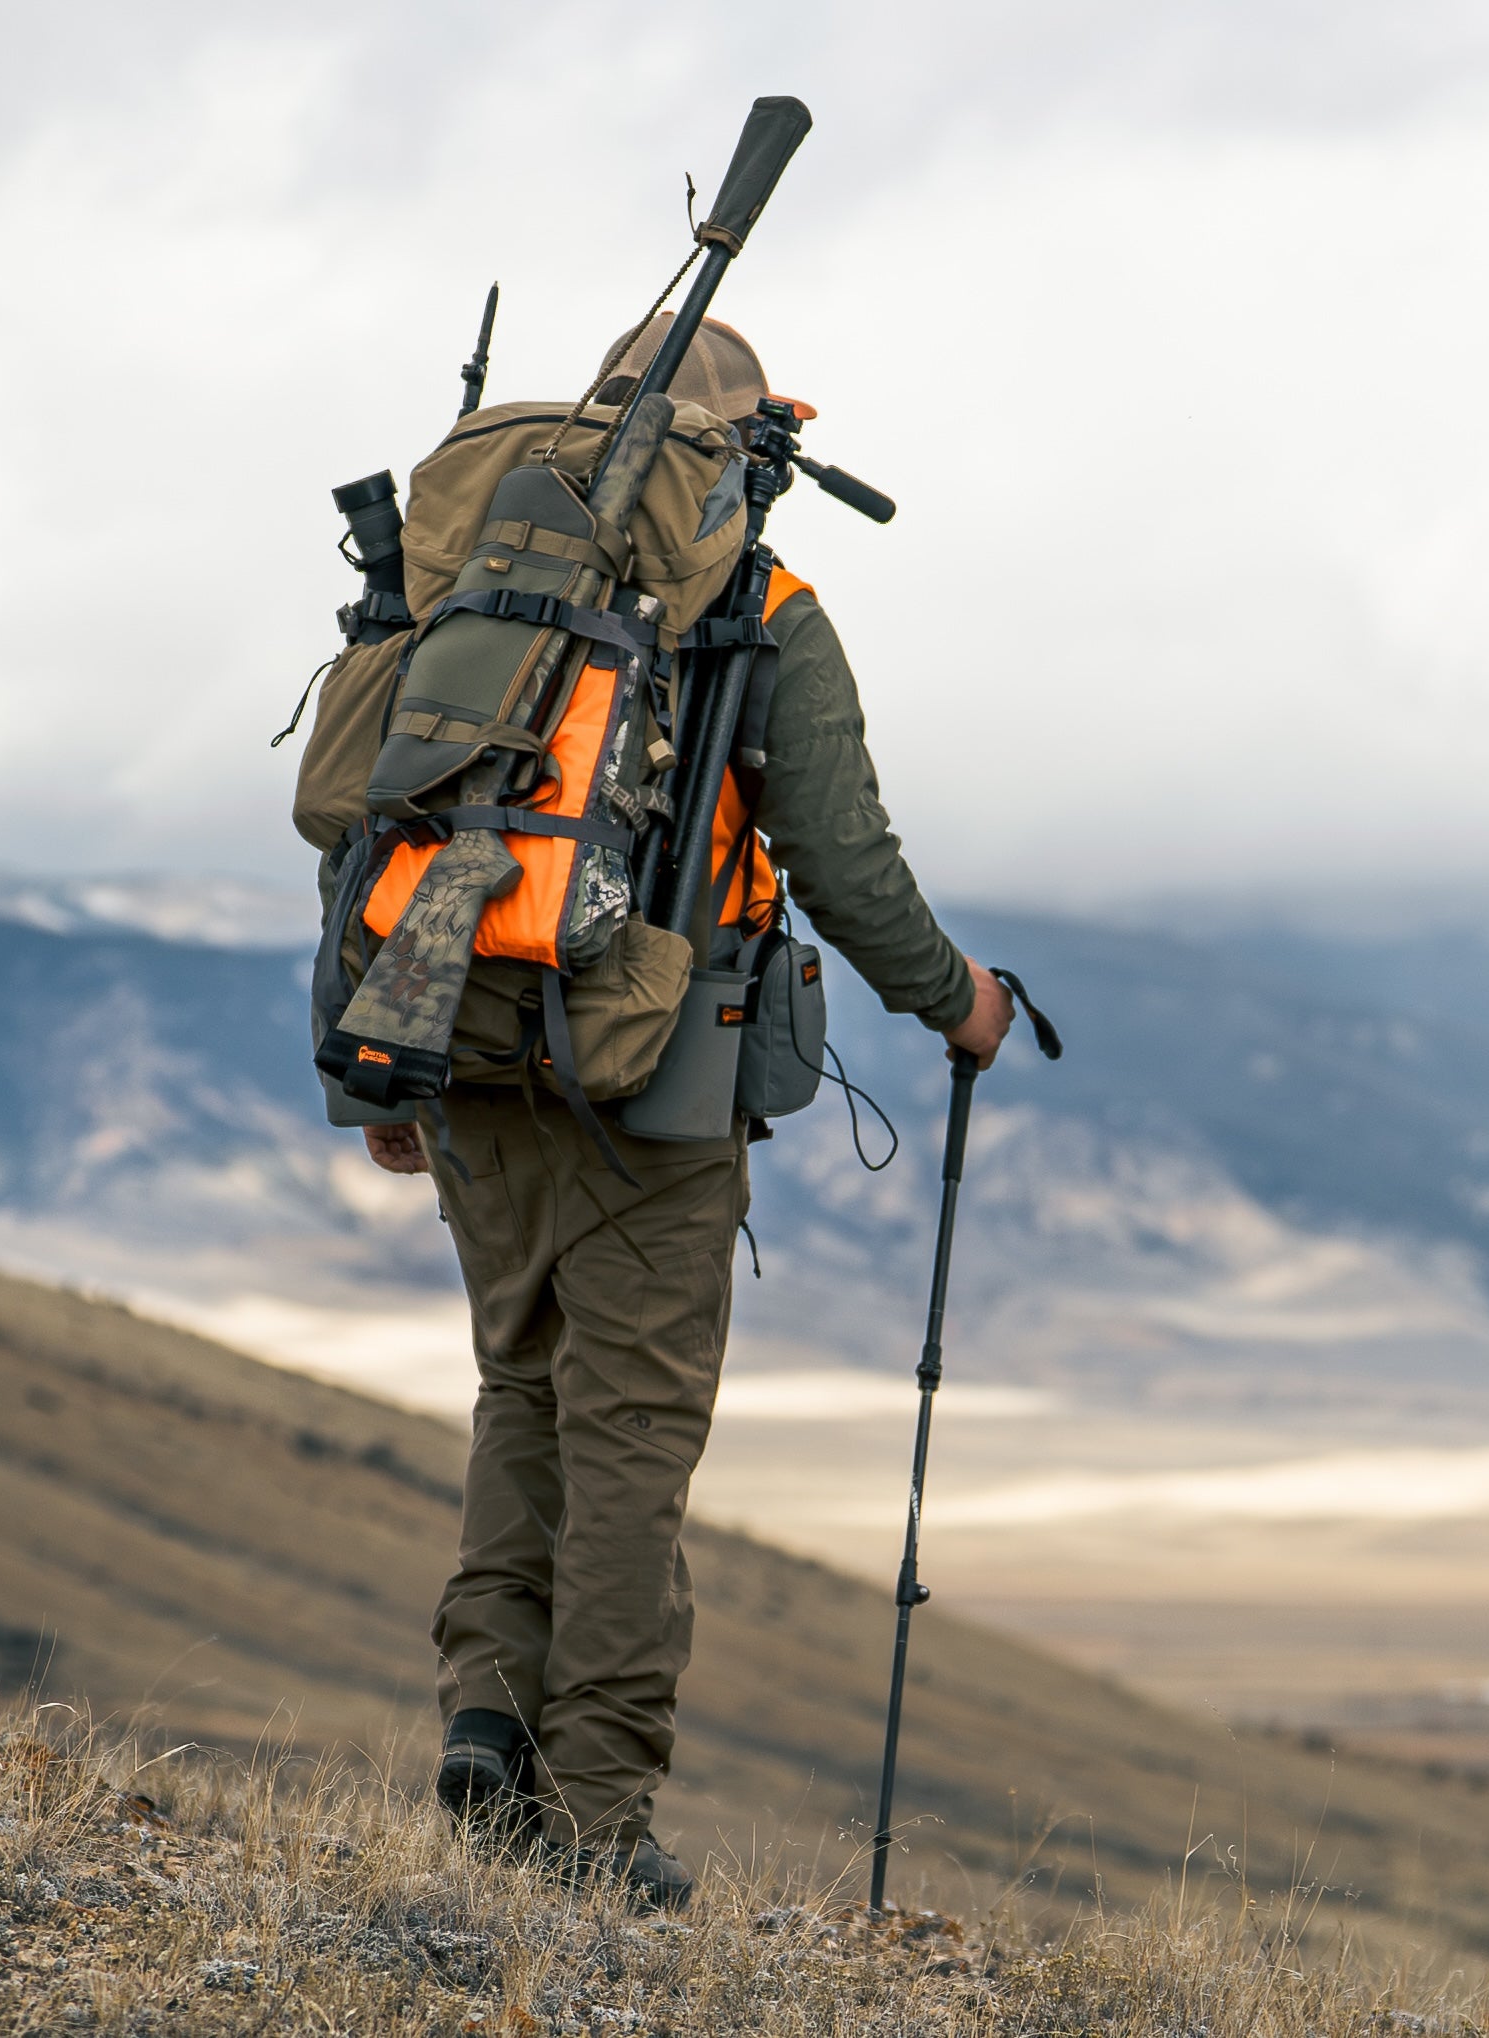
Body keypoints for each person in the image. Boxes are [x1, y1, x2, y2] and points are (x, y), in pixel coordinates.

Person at [362, 314, 1015, 1909]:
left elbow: (366, 817)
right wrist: (957, 1000)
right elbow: (843, 862)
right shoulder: (763, 606)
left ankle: (479, 1729)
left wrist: (387, 1052)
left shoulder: (471, 569)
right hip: (652, 1073)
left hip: (467, 1041)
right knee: (632, 1441)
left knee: (518, 1391)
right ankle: (593, 1816)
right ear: (751, 448)